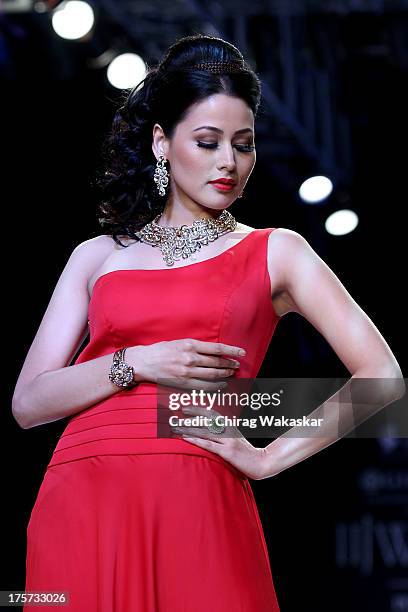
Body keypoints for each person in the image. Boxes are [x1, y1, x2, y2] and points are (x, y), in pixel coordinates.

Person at [12, 33, 403, 612]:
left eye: (243, 145)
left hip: (196, 488)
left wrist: (269, 456)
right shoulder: (97, 257)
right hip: (80, 494)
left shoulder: (277, 252)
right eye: (208, 141)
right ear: (162, 143)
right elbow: (27, 403)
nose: (228, 162)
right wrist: (135, 363)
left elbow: (382, 379)